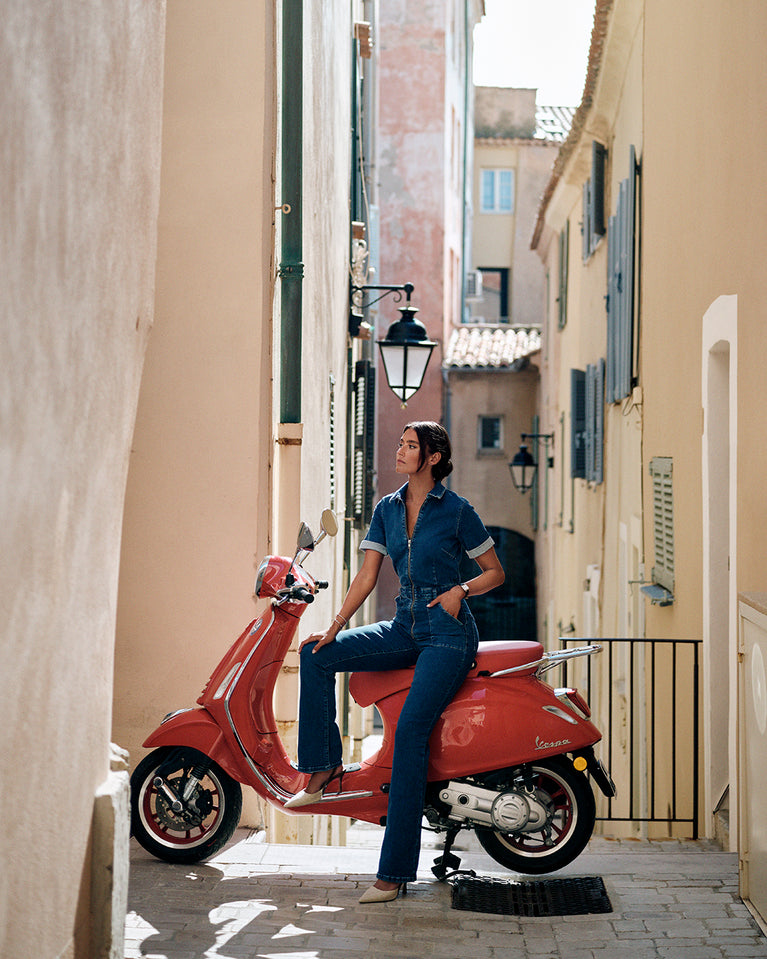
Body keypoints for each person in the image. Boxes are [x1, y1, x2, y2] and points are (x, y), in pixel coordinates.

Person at [284, 421, 505, 903]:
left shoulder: (458, 511)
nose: (400, 450)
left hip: (447, 632)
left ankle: (394, 872)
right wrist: (336, 625)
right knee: (315, 655)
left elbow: (494, 572)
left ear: (433, 456)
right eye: (401, 443)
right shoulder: (387, 508)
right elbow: (367, 574)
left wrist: (460, 590)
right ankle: (321, 769)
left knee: (408, 735)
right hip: (405, 623)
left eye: (410, 446)